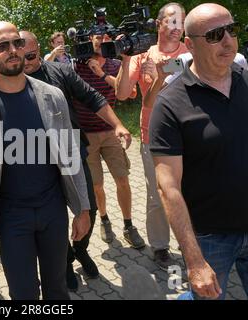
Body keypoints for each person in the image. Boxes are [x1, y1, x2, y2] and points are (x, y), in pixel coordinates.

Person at [0, 21, 91, 300]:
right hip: (10, 218)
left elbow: (70, 154)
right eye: (2, 46)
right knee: (24, 293)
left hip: (53, 209)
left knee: (58, 288)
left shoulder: (52, 97)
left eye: (17, 43)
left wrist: (83, 207)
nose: (13, 51)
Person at [149, 3, 248, 300]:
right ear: (190, 45)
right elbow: (168, 186)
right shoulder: (170, 103)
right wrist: (193, 260)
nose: (228, 40)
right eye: (215, 34)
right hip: (209, 237)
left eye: (231, 30)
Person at [19, 30, 132, 291]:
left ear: (39, 49)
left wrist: (117, 125)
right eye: (21, 55)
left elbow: (92, 97)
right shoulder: (12, 80)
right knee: (53, 218)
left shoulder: (60, 72)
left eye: (31, 55)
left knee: (87, 208)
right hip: (36, 161)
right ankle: (66, 261)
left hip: (72, 153)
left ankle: (80, 249)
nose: (26, 61)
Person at [115, 2, 188, 270]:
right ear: (158, 24)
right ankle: (159, 246)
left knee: (188, 191)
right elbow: (124, 95)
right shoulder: (141, 56)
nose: (176, 28)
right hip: (154, 135)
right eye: (170, 22)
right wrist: (124, 58)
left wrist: (165, 71)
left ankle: (188, 239)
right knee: (157, 195)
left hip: (189, 135)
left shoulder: (191, 52)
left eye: (180, 23)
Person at [73, 32, 145, 250]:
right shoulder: (77, 66)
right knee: (96, 184)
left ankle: (128, 225)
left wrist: (102, 73)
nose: (99, 41)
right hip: (86, 135)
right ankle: (104, 219)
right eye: (96, 37)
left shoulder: (115, 65)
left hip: (111, 131)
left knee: (122, 179)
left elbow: (131, 93)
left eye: (105, 37)